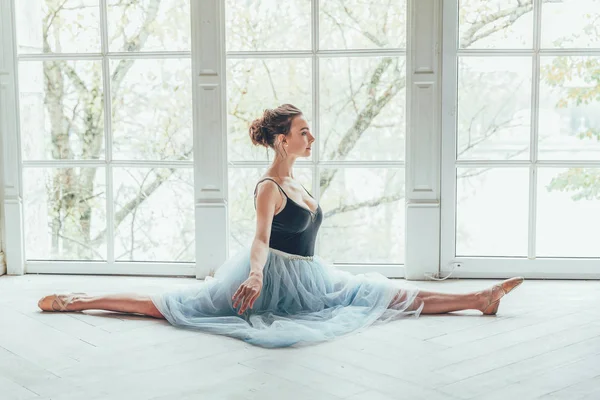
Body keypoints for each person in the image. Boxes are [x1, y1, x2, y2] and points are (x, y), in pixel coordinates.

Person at [38, 104, 524, 348]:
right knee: (171, 307)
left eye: (309, 130)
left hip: (309, 274)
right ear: (280, 141)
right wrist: (254, 275)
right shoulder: (269, 186)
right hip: (269, 279)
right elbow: (259, 239)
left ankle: (477, 300)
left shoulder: (299, 181)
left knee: (378, 294)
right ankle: (80, 300)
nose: (310, 136)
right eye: (302, 132)